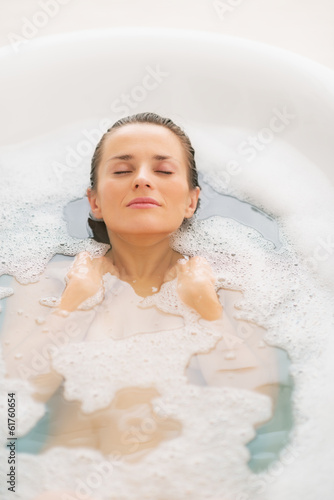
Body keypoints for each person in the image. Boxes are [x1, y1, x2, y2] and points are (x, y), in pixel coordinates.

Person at [2, 113, 279, 499]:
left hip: (191, 484)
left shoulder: (227, 282)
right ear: (94, 201)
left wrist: (207, 312)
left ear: (191, 200)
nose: (142, 179)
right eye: (122, 170)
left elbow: (257, 399)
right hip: (62, 486)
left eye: (163, 170)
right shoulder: (48, 280)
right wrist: (72, 308)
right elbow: (11, 404)